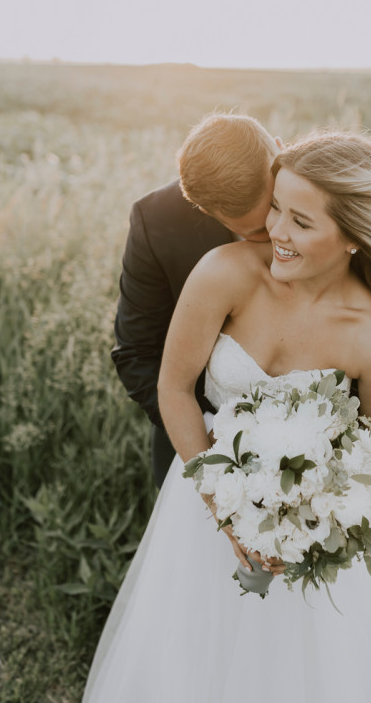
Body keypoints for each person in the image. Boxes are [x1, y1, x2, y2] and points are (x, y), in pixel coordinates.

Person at [84, 131, 371, 702]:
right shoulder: (222, 271)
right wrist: (226, 509)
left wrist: (299, 523)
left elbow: (366, 463)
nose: (274, 231)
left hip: (305, 532)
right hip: (201, 499)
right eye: (275, 207)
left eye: (300, 222)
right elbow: (172, 387)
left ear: (352, 237)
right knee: (186, 659)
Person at [111, 112, 279, 487]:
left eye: (276, 207)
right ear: (203, 210)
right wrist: (205, 439)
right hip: (197, 444)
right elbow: (136, 352)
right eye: (256, 230)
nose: (278, 231)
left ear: (280, 151)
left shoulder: (326, 190)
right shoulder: (156, 221)